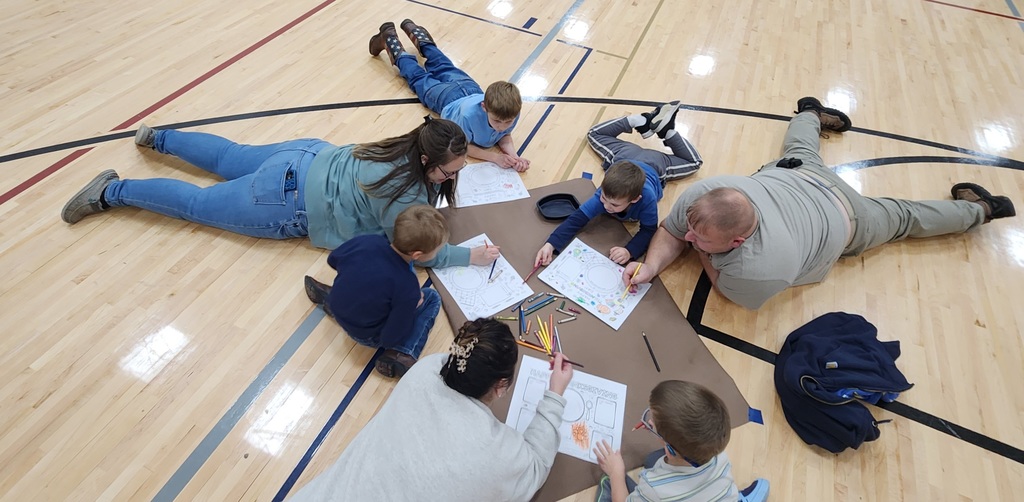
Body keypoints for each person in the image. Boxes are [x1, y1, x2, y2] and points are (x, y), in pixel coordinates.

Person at [621, 97, 1016, 309]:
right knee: (799, 146)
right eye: (692, 227)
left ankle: (982, 209)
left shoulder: (758, 270)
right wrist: (652, 266)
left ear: (737, 243)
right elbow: (675, 230)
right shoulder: (700, 199)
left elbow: (726, 291)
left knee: (905, 217)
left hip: (852, 219)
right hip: (798, 173)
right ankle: (810, 110)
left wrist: (700, 253)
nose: (688, 236)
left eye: (701, 239)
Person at [61, 117, 500, 268]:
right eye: (450, 170)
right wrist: (468, 256)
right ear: (428, 161)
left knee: (228, 155)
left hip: (305, 154)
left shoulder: (403, 145)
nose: (451, 177)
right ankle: (111, 192)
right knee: (197, 204)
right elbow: (416, 247)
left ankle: (157, 138)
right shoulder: (406, 196)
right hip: (288, 199)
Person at [290, 318, 575, 501]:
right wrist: (555, 393)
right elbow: (536, 466)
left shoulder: (425, 370)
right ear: (501, 386)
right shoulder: (495, 453)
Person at [535, 102, 704, 266]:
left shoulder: (647, 199)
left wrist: (629, 251)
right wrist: (551, 244)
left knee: (696, 163)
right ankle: (640, 122)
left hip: (656, 163)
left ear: (635, 199)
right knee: (592, 134)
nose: (606, 206)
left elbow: (648, 230)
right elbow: (576, 220)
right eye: (604, 198)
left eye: (614, 204)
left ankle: (666, 131)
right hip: (626, 155)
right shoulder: (604, 195)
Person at [303, 205, 448, 378]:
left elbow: (333, 259)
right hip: (365, 334)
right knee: (432, 297)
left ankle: (330, 299)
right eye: (437, 250)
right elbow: (390, 337)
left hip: (340, 304)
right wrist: (411, 305)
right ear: (417, 254)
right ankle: (403, 353)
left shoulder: (370, 241)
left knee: (363, 284)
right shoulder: (407, 286)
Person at [369, 19, 530, 172]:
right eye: (497, 121)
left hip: (469, 88)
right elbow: (463, 146)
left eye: (508, 121)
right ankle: (389, 40)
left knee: (442, 63)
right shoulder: (468, 117)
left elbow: (503, 135)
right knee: (418, 77)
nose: (502, 126)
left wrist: (514, 157)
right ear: (484, 107)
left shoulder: (510, 112)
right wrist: (494, 157)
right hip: (445, 98)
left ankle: (416, 32)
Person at [592, 380, 769, 502]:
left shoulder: (654, 488)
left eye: (653, 420)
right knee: (651, 460)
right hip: (717, 494)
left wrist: (616, 472)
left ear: (670, 449)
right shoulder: (718, 454)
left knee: (608, 481)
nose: (650, 421)